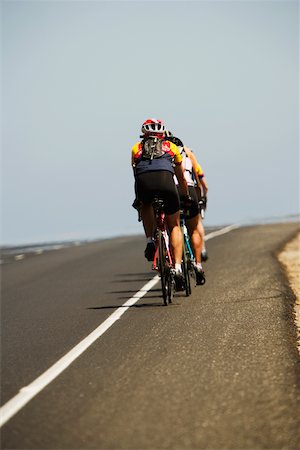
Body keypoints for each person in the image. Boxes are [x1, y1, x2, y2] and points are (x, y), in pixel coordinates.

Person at [131, 118, 190, 289]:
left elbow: (136, 174)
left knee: (146, 205)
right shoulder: (171, 147)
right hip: (166, 184)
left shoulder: (136, 148)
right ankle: (178, 268)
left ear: (144, 134)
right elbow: (180, 176)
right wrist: (185, 195)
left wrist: (139, 198)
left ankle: (150, 240)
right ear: (162, 134)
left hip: (144, 184)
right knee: (175, 226)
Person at [165, 131, 205, 285]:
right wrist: (200, 197)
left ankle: (175, 264)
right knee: (194, 228)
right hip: (189, 188)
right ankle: (198, 264)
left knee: (172, 226)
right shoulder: (186, 152)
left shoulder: (161, 153)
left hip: (171, 190)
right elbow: (196, 176)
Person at [195, 162, 209, 261]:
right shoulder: (193, 162)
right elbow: (205, 186)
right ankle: (202, 249)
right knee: (197, 222)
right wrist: (204, 198)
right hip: (195, 194)